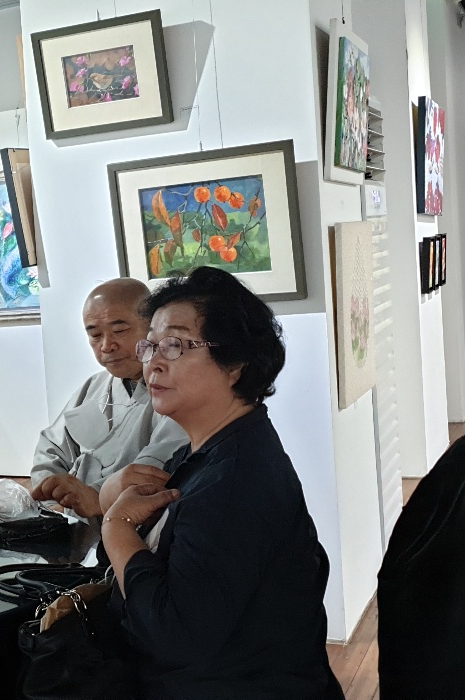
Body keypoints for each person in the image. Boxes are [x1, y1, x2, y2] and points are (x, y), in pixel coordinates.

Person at [99, 267, 341, 699]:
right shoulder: (214, 451)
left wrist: (116, 528)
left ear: (235, 364)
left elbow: (173, 636)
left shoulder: (233, 481)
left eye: (175, 345)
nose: (153, 362)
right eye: (150, 344)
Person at [30, 278, 187, 518]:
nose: (106, 346)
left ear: (153, 328)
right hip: (70, 522)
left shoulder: (175, 391)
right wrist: (52, 499)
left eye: (119, 331)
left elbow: (155, 468)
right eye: (95, 335)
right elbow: (50, 448)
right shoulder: (94, 387)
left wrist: (96, 496)